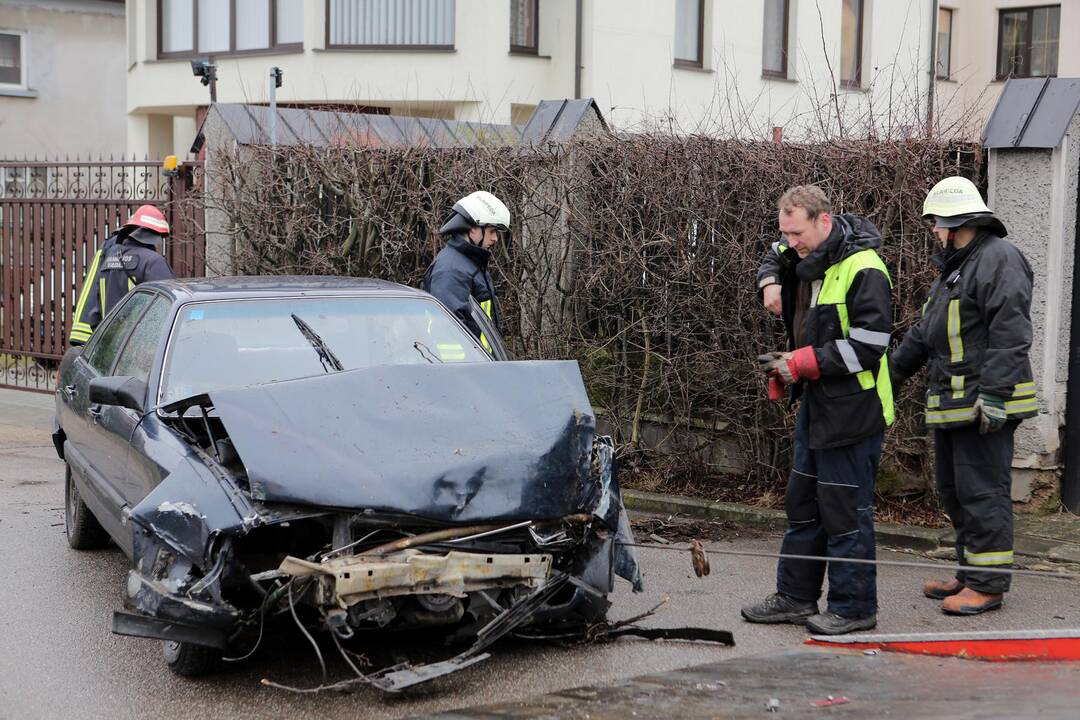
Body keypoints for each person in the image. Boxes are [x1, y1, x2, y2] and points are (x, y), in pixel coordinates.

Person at [742, 185, 894, 635]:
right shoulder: (805, 253)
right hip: (819, 403)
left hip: (857, 409)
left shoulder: (865, 268)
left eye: (797, 233)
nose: (790, 243)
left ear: (823, 221)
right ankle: (795, 597)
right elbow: (772, 256)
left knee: (845, 511)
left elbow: (870, 346)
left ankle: (853, 607)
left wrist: (801, 363)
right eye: (785, 233)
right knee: (803, 504)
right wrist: (769, 281)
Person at [890, 176, 1036, 616]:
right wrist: (891, 373)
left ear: (956, 222)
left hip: (983, 402)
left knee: (983, 493)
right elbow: (928, 331)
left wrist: (993, 394)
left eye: (936, 222)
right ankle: (970, 572)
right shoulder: (958, 267)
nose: (933, 230)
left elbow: (1011, 334)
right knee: (954, 492)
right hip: (954, 400)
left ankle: (989, 585)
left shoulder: (999, 260)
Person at [69, 204, 175, 345]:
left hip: (110, 346)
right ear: (155, 235)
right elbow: (170, 308)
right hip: (137, 347)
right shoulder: (153, 262)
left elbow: (95, 313)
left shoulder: (109, 259)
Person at [422, 191, 509, 351]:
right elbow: (450, 330)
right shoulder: (451, 269)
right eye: (491, 231)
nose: (495, 238)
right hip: (461, 370)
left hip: (478, 366)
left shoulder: (469, 263)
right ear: (473, 229)